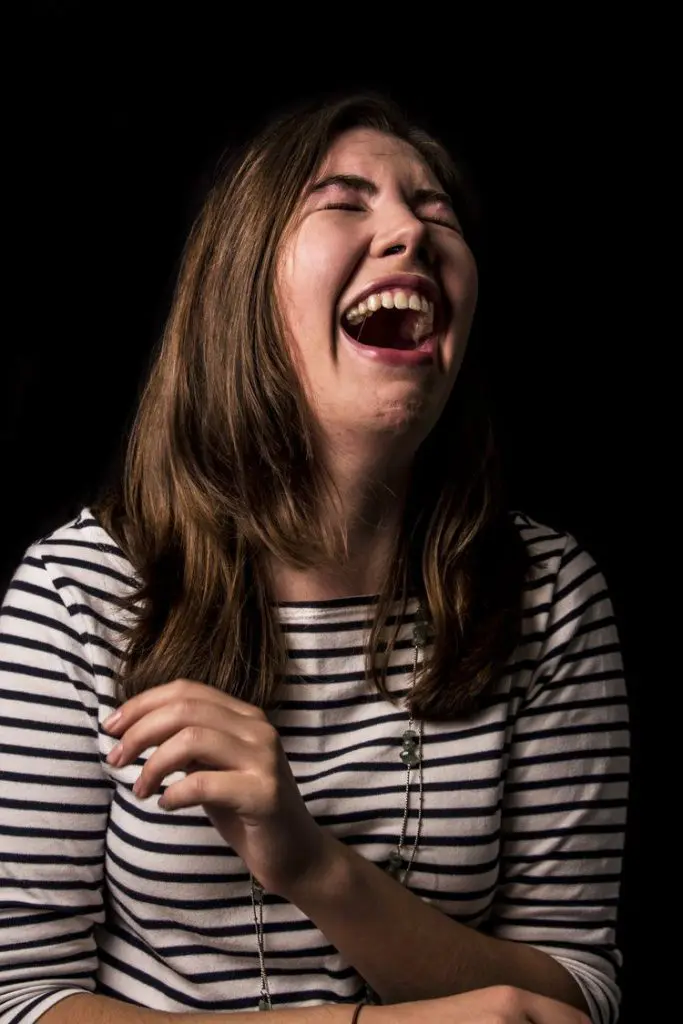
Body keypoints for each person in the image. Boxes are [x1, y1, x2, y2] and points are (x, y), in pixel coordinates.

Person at [0, 93, 628, 1024]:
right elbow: (22, 997)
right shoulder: (77, 592)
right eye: (343, 201)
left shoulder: (549, 597)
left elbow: (575, 991)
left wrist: (309, 863)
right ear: (241, 287)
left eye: (436, 210)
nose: (411, 233)